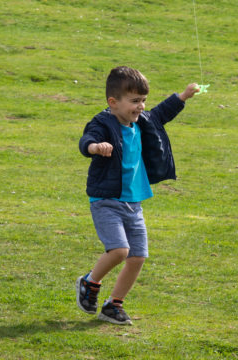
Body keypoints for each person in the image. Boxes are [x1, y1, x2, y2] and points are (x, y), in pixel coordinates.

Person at [77, 66, 199, 325]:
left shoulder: (141, 122)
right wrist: (95, 147)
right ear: (113, 102)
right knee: (120, 251)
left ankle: (114, 305)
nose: (141, 106)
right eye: (134, 101)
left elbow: (162, 113)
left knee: (138, 256)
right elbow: (86, 139)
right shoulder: (103, 123)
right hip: (107, 200)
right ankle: (90, 282)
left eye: (143, 100)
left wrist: (184, 96)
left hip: (134, 202)